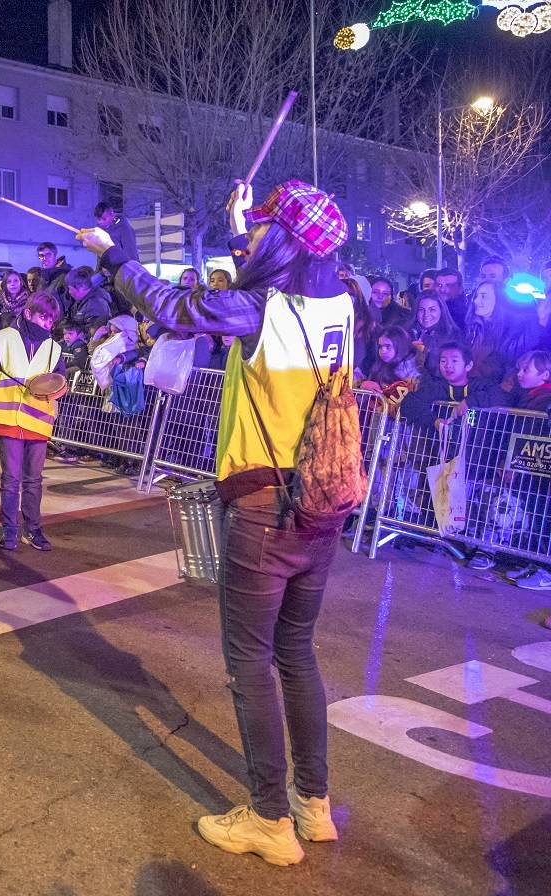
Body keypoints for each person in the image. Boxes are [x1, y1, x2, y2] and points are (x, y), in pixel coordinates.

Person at [81, 178, 357, 866]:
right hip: (319, 507)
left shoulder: (261, 309)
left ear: (285, 240)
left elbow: (177, 307)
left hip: (263, 509)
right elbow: (262, 285)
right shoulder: (340, 304)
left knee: (250, 664)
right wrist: (241, 221)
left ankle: (268, 820)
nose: (256, 237)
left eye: (266, 227)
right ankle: (312, 805)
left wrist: (115, 257)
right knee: (297, 655)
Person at [0, 290, 66, 552]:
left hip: (38, 421)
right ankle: (10, 530)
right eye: (43, 318)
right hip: (9, 418)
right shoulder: (5, 337)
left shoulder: (53, 348)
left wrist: (56, 388)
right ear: (28, 314)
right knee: (12, 479)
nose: (47, 324)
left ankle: (33, 529)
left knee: (34, 479)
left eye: (51, 320)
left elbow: (61, 381)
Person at [408, 290, 462, 376]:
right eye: (421, 310)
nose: (426, 315)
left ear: (441, 310)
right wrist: (407, 350)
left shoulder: (454, 337)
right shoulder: (407, 334)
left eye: (432, 309)